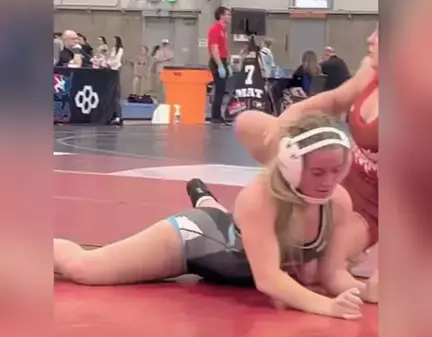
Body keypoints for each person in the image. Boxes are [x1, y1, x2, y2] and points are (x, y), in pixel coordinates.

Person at [54, 112, 365, 320]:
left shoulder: (337, 202)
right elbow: (269, 279)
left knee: (299, 271)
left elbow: (332, 276)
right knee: (86, 268)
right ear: (291, 164)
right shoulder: (260, 197)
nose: (328, 181)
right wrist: (328, 307)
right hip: (196, 239)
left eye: (337, 170)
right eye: (317, 172)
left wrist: (371, 293)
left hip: (233, 244)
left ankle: (208, 202)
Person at [235, 28, 379, 303]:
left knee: (311, 274)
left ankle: (341, 248)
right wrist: (288, 121)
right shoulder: (370, 71)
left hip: (371, 207)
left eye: (380, 34)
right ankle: (280, 202)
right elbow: (333, 101)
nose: (369, 39)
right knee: (249, 123)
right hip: (337, 173)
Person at [208, 6, 231, 123]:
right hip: (217, 61)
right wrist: (220, 65)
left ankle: (217, 114)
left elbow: (224, 49)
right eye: (228, 14)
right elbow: (214, 48)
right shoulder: (215, 29)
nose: (230, 17)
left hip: (223, 60)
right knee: (219, 89)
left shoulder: (224, 30)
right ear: (221, 16)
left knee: (222, 90)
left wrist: (227, 64)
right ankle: (215, 116)